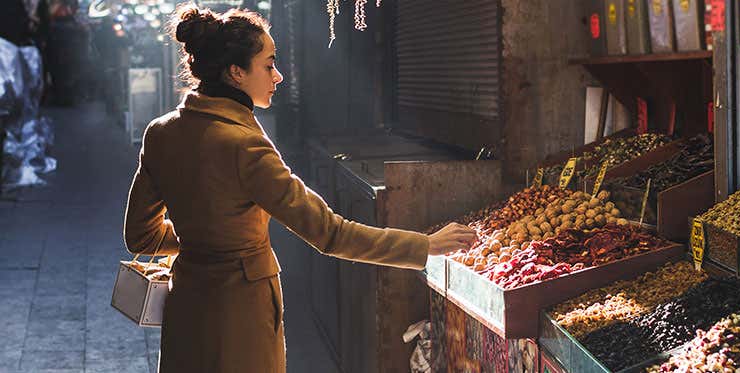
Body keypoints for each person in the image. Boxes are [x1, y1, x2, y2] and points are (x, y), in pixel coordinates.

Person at [122, 5, 478, 372]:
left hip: (186, 313)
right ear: (236, 72)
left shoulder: (161, 133)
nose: (278, 76)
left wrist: (205, 241)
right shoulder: (245, 146)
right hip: (240, 320)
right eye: (269, 64)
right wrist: (424, 245)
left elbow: (140, 237)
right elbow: (328, 233)